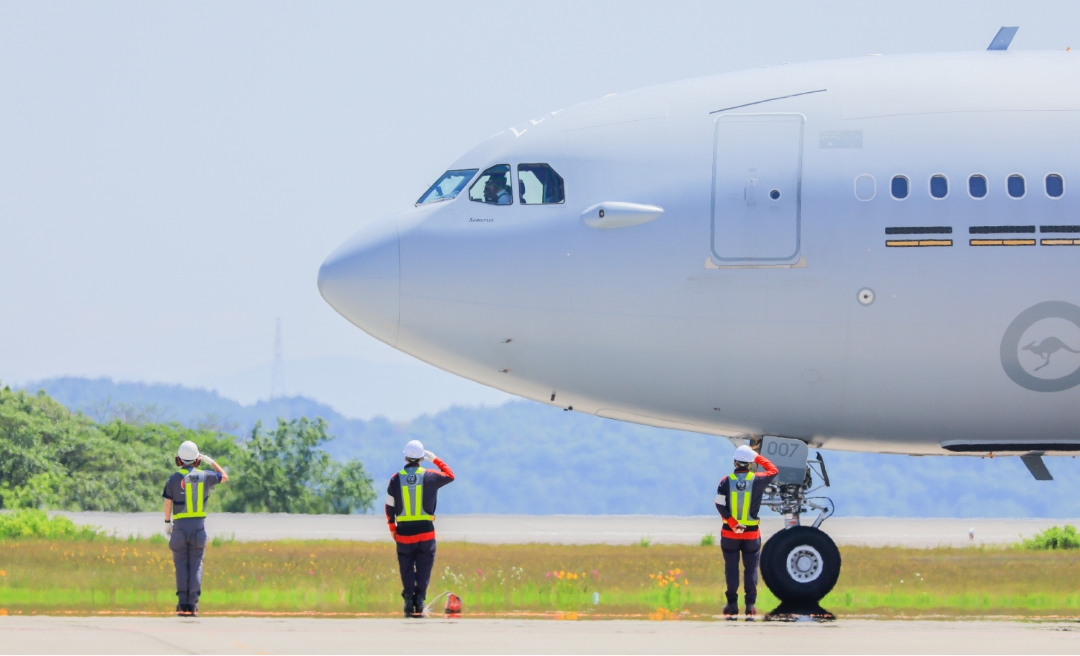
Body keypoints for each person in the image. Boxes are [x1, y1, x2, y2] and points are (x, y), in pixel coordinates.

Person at [385, 440, 455, 617]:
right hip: (425, 532)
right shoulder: (430, 476)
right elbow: (450, 475)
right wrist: (435, 459)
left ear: (406, 457)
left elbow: (389, 506)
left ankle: (409, 601)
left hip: (403, 533)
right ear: (421, 458)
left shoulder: (395, 479)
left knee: (406, 567)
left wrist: (392, 527)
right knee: (424, 567)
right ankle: (420, 600)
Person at [162, 440, 228, 617]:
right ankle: (192, 604)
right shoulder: (206, 476)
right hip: (198, 529)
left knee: (181, 566)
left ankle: (182, 603)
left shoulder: (173, 479)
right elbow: (224, 476)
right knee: (196, 565)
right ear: (197, 460)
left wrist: (167, 522)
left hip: (179, 529)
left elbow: (168, 502)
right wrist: (210, 461)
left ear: (179, 460)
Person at [715, 444, 778, 620]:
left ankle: (732, 605)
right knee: (751, 569)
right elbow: (773, 471)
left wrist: (733, 523)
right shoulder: (757, 480)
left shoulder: (725, 481)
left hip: (730, 533)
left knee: (731, 568)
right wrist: (756, 455)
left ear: (735, 462)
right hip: (751, 534)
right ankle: (750, 606)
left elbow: (719, 504)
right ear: (750, 464)